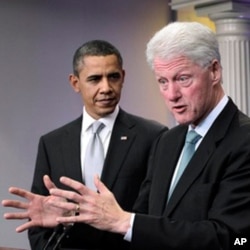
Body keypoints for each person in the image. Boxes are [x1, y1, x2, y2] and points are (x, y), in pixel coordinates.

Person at [3, 21, 250, 250]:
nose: (171, 94)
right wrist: (68, 222)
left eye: (182, 79)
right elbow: (144, 228)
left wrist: (125, 222)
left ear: (215, 71)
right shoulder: (169, 142)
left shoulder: (243, 140)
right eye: (162, 81)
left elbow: (235, 239)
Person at [2, 40, 167, 250]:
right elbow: (40, 220)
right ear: (75, 83)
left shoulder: (153, 136)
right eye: (95, 79)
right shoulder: (52, 143)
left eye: (113, 77)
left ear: (123, 77)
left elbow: (155, 215)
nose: (106, 88)